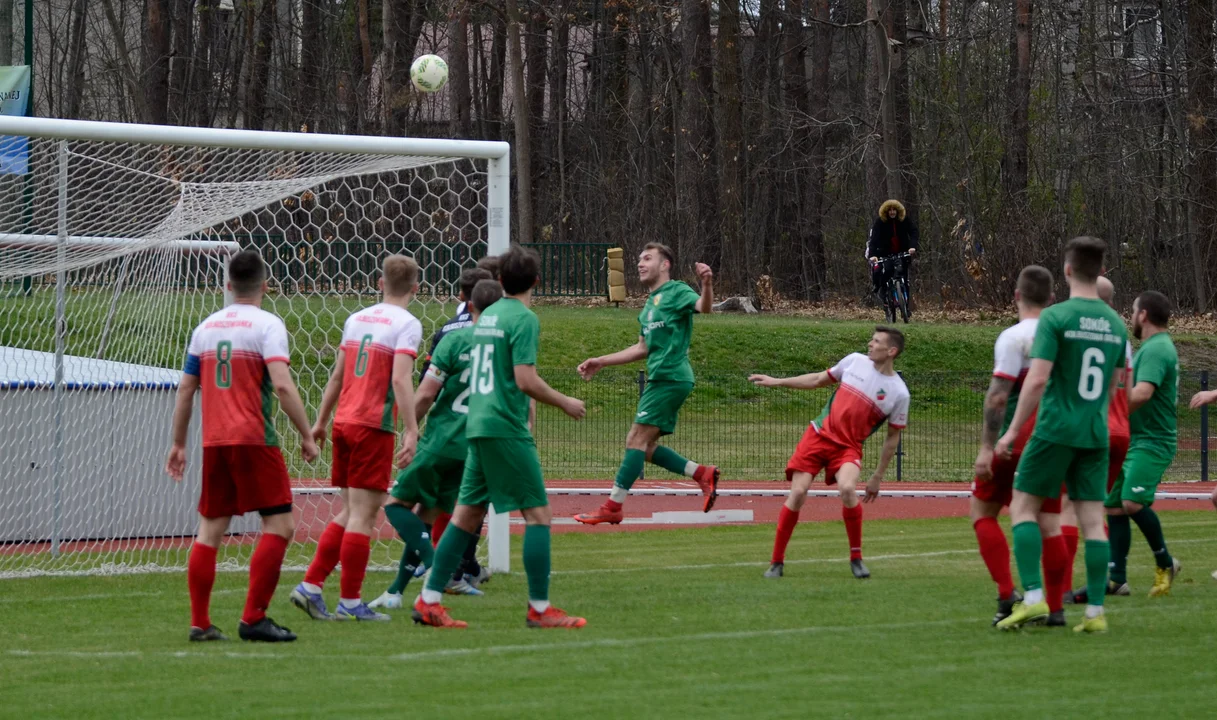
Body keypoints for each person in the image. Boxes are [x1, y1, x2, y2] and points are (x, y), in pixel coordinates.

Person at [412, 245, 588, 629]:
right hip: (505, 427)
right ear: (538, 283)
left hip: (477, 424)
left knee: (465, 515)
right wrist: (565, 402)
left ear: (501, 280)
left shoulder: (488, 314)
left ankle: (428, 600)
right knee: (539, 516)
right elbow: (525, 379)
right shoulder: (524, 318)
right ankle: (539, 609)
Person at [166, 249, 319, 643]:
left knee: (209, 530)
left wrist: (178, 443)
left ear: (228, 285)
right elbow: (282, 385)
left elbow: (186, 389)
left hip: (215, 442)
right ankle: (253, 617)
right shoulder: (267, 325)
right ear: (265, 285)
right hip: (254, 438)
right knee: (281, 525)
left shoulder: (206, 328)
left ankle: (200, 623)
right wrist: (305, 433)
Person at [995, 236, 1128, 633]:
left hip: (1054, 429)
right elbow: (1115, 383)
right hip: (1095, 431)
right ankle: (1095, 614)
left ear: (1067, 270)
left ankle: (1033, 599)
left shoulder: (1056, 318)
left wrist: (1012, 432)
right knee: (1090, 518)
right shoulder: (1116, 323)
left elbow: (1036, 380)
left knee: (1023, 507)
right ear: (1100, 271)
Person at [289, 255, 423, 622]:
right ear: (415, 288)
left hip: (344, 423)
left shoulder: (356, 319)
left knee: (350, 511)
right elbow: (400, 379)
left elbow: (336, 376)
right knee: (364, 516)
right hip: (371, 426)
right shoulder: (408, 324)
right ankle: (350, 603)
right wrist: (411, 429)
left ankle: (311, 586)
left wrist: (319, 422)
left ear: (380, 283)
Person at [367, 279, 504, 611]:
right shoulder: (506, 347)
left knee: (394, 504)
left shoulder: (454, 339)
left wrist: (410, 431)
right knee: (426, 515)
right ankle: (396, 591)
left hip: (442, 439)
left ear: (468, 306)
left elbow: (427, 393)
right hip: (475, 446)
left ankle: (432, 564)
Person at [572, 243, 720, 525]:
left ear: (665, 265)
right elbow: (641, 348)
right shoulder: (648, 307)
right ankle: (702, 473)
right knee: (645, 448)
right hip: (662, 379)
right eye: (639, 259)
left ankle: (613, 506)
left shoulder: (676, 291)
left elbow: (704, 307)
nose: (640, 263)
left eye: (647, 258)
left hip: (671, 376)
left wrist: (707, 283)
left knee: (634, 440)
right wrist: (601, 360)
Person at [752, 327, 909, 579]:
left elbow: (893, 436)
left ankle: (856, 559)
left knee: (847, 489)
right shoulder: (854, 361)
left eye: (876, 341)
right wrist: (777, 381)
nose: (870, 343)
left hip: (848, 447)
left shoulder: (899, 393)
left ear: (891, 351)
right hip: (817, 436)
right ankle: (776, 563)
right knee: (798, 493)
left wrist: (877, 476)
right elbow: (817, 380)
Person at [970, 265, 1070, 626]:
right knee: (1050, 522)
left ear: (1016, 295)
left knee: (983, 512)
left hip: (1018, 435)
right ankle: (1057, 608)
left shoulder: (1014, 337)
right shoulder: (1064, 334)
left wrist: (987, 446)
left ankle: (1007, 595)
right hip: (1057, 435)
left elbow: (998, 397)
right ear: (1053, 298)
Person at [416, 265, 496, 594]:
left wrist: (412, 427)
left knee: (438, 502)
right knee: (468, 503)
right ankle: (445, 566)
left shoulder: (447, 329)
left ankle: (449, 564)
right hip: (479, 430)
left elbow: (426, 385)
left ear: (462, 295)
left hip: (442, 429)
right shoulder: (498, 333)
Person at [1102, 290, 1181, 597]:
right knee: (1114, 507)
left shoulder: (1158, 349)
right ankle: (1116, 580)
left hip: (1153, 440)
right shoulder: (1151, 347)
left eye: (1133, 311)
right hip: (1136, 439)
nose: (1130, 317)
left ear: (1143, 315)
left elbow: (1143, 394)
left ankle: (1165, 564)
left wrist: (1106, 413)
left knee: (1132, 502)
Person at [1064, 276, 1132, 602]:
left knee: (1068, 506)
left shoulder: (1082, 326)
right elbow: (1125, 387)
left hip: (1092, 427)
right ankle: (1112, 577)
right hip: (1121, 427)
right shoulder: (1121, 334)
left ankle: (1063, 585)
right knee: (1097, 508)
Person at [867, 199, 919, 299]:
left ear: (897, 211)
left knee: (904, 278)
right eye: (890, 210)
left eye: (894, 210)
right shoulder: (880, 222)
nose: (892, 212)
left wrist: (912, 246)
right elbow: (873, 239)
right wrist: (873, 255)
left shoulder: (904, 220)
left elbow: (914, 232)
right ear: (886, 211)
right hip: (885, 253)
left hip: (902, 252)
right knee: (887, 271)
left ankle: (906, 306)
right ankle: (883, 291)